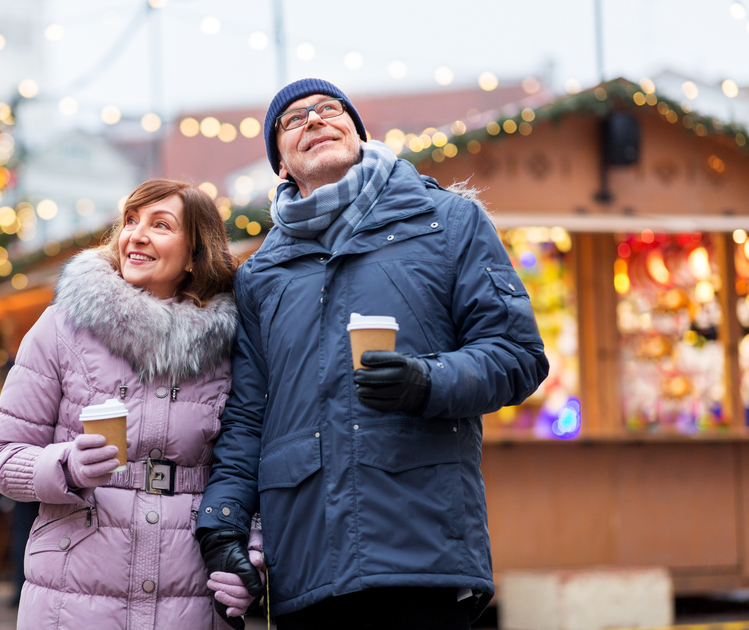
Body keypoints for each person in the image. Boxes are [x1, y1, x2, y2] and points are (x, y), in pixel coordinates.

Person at [196, 79, 550, 630]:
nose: (314, 120)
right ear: (282, 166)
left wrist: (429, 380)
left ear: (359, 134)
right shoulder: (261, 275)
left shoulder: (448, 222)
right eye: (293, 121)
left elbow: (517, 355)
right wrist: (222, 523)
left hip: (421, 548)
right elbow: (247, 415)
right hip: (304, 561)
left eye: (329, 110)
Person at [0, 179, 241, 629]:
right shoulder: (62, 326)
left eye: (160, 225)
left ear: (196, 253)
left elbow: (246, 463)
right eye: (130, 220)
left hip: (189, 586)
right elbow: (0, 458)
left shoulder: (233, 344)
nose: (135, 235)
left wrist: (248, 544)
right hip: (72, 587)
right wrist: (64, 466)